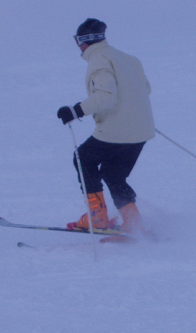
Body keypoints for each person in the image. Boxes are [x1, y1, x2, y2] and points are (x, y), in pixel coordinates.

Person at [57, 18, 155, 236]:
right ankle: (133, 224)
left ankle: (97, 217)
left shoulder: (98, 60)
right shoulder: (129, 59)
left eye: (77, 41)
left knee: (83, 157)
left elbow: (105, 96)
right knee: (113, 174)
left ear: (84, 41)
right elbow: (144, 89)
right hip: (142, 130)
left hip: (117, 131)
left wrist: (75, 111)